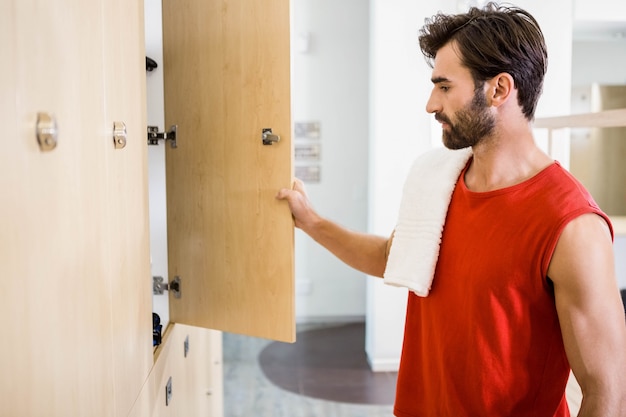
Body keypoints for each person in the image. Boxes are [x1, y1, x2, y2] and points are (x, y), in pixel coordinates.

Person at [277, 2, 626, 417]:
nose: (430, 104)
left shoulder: (571, 223)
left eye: (444, 87)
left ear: (498, 89)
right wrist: (311, 222)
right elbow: (393, 257)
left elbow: (606, 392)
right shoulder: (439, 179)